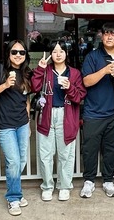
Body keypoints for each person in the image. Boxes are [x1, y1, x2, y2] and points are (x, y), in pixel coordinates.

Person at [79, 22, 114, 199]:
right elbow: (86, 81)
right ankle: (89, 181)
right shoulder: (92, 57)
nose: (109, 37)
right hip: (93, 111)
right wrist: (105, 70)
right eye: (106, 33)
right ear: (101, 36)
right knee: (90, 148)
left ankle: (108, 180)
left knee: (111, 148)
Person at [31, 40, 86, 202]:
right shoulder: (46, 71)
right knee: (45, 154)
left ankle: (64, 186)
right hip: (46, 115)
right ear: (50, 54)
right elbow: (34, 87)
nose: (58, 54)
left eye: (62, 51)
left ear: (67, 53)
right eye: (54, 51)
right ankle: (47, 186)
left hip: (66, 116)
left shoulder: (74, 73)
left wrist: (69, 86)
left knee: (66, 155)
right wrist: (40, 69)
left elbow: (79, 97)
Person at [0, 40, 32, 216]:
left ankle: (15, 191)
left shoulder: (26, 72)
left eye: (22, 52)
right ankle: (13, 197)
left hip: (22, 123)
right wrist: (4, 85)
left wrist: (27, 123)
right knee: (13, 162)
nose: (18, 55)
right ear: (8, 54)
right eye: (14, 52)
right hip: (5, 125)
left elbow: (26, 100)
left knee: (21, 160)